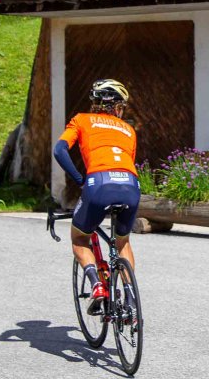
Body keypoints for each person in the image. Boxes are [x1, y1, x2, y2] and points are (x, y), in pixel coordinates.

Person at [54, 79, 140, 313]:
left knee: (80, 238)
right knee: (122, 242)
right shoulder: (128, 130)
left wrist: (79, 180)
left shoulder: (81, 119)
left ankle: (97, 286)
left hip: (99, 184)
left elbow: (59, 150)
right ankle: (131, 298)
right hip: (131, 184)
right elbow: (126, 163)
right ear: (116, 106)